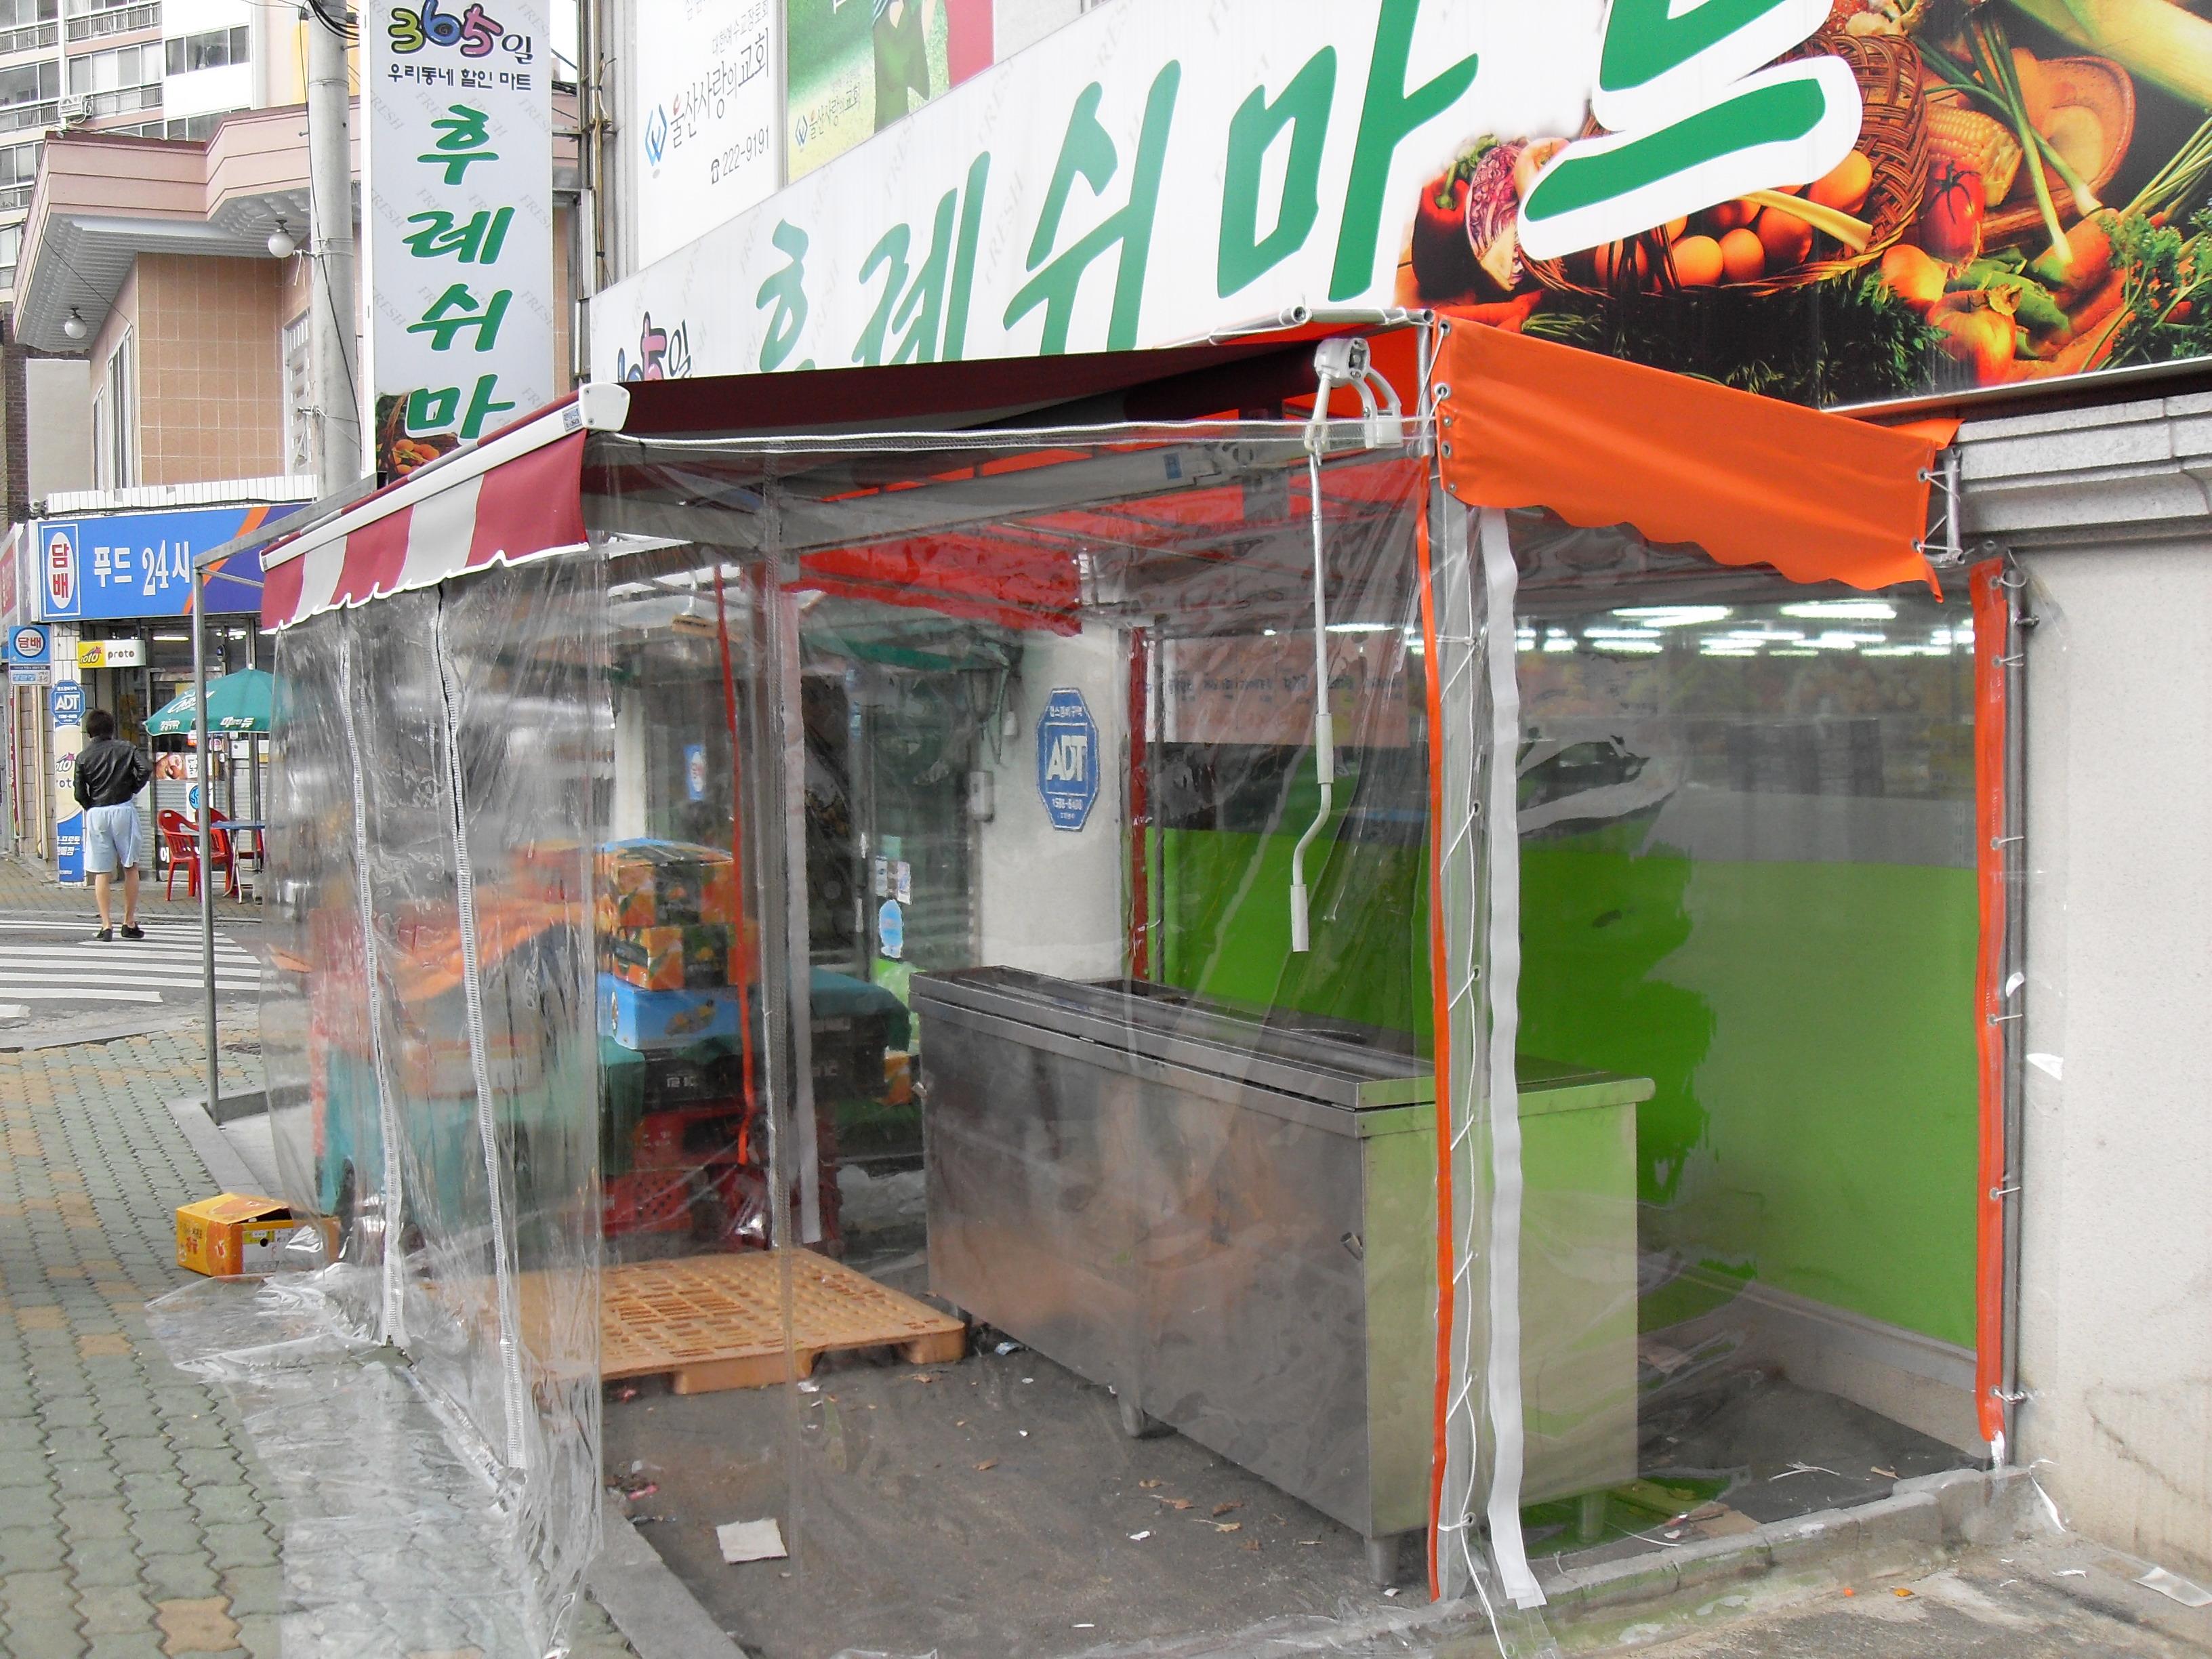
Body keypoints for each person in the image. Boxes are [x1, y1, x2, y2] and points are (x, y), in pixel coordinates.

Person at [73, 708, 152, 942]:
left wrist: (91, 805)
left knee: (101, 871)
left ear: (90, 733)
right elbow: (146, 768)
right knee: (131, 866)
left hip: (97, 812)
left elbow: (79, 792)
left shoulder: (84, 757)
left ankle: (106, 925)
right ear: (111, 729)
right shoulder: (126, 748)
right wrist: (132, 788)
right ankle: (129, 922)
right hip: (123, 808)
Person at [873, 0, 935, 131]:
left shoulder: (901, 9)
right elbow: (896, 71)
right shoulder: (884, 22)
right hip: (889, 120)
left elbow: (914, 49)